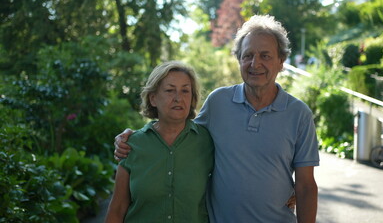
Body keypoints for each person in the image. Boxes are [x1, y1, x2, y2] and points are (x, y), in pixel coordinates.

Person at [114, 15, 319, 223]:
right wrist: (133, 137)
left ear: (281, 62)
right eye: (247, 55)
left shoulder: (299, 114)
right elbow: (179, 130)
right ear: (239, 60)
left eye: (265, 56)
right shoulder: (218, 102)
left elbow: (306, 186)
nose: (255, 64)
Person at [105, 61, 214, 222]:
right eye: (170, 90)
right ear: (153, 98)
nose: (178, 98)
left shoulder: (208, 141)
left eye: (185, 91)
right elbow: (118, 208)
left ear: (192, 99)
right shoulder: (132, 145)